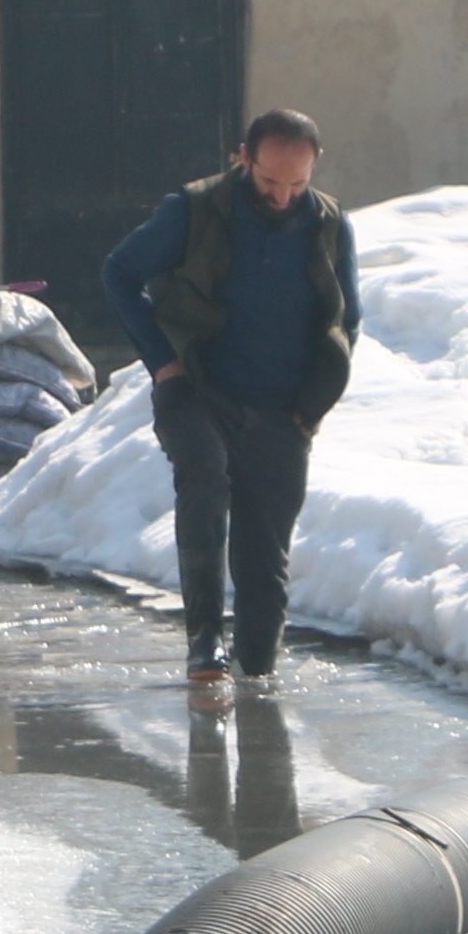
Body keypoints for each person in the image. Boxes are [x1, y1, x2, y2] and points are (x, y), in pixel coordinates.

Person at [102, 108, 357, 696]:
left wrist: (313, 405)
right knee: (206, 482)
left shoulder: (327, 223)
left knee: (265, 550)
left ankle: (258, 667)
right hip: (198, 389)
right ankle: (204, 644)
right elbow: (120, 273)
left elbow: (348, 319)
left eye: (297, 184)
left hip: (283, 406)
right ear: (245, 158)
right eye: (271, 182)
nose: (283, 196)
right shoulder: (194, 211)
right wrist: (163, 362)